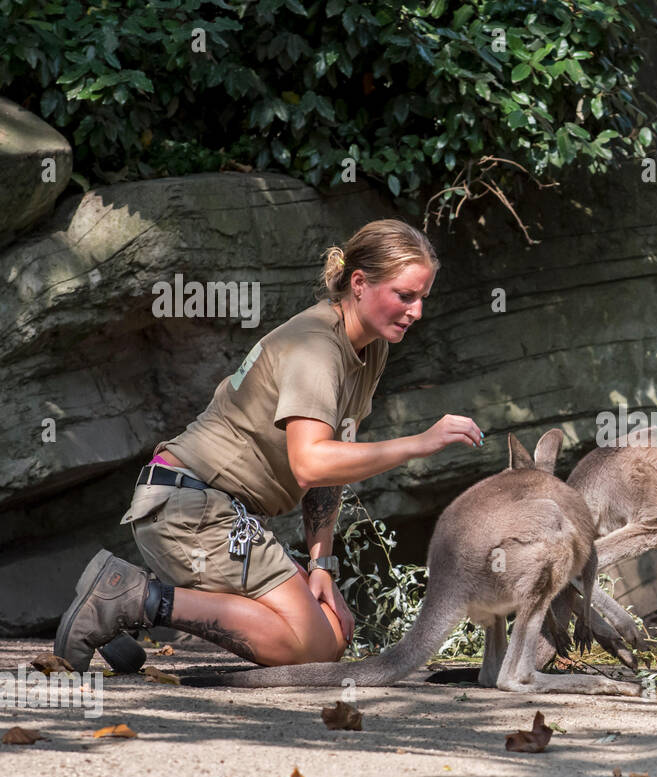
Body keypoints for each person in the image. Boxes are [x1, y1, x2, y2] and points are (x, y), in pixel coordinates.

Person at [54, 219, 483, 672]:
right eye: (404, 295)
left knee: (336, 631)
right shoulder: (316, 349)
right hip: (189, 508)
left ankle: (123, 609)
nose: (416, 311)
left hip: (216, 512)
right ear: (359, 284)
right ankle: (133, 600)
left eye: (422, 299)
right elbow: (311, 463)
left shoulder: (370, 347)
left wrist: (323, 565)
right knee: (310, 646)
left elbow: (329, 462)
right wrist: (417, 444)